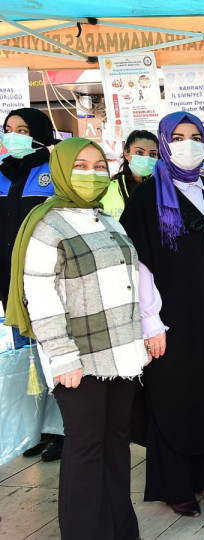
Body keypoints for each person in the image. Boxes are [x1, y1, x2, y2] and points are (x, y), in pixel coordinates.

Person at [6, 137, 165, 540]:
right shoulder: (47, 225)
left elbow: (130, 281)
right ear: (61, 170)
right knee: (87, 447)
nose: (91, 174)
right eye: (80, 165)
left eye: (98, 166)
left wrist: (146, 331)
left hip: (120, 354)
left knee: (116, 445)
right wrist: (62, 355)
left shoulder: (107, 220)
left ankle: (119, 531)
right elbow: (40, 295)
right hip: (78, 357)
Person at [120, 111, 204, 517]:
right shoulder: (147, 197)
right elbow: (139, 263)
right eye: (177, 137)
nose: (187, 144)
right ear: (164, 143)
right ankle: (175, 483)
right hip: (173, 317)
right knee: (174, 395)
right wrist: (150, 321)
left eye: (195, 137)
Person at [1, 107, 63, 461]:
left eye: (22, 130)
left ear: (39, 134)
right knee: (28, 357)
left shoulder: (53, 172)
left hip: (45, 280)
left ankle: (62, 430)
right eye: (8, 129)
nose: (13, 136)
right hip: (9, 285)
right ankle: (37, 429)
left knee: (53, 352)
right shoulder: (1, 173)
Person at [102, 130, 159, 219]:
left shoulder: (164, 188)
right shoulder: (108, 189)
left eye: (152, 154)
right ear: (126, 153)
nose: (146, 158)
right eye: (139, 152)